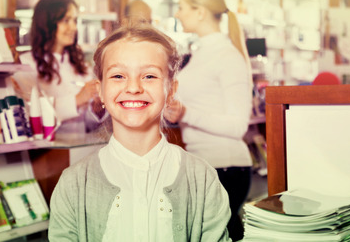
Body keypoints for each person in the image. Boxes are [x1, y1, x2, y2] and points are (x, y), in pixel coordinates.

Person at [48, 24, 232, 241]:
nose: (133, 87)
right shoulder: (74, 184)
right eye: (118, 76)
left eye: (149, 76)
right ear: (100, 90)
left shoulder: (202, 178)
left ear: (170, 90)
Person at [164, 0, 253, 241]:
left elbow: (238, 125)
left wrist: (186, 114)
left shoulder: (228, 56)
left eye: (181, 7)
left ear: (200, 11)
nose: (177, 13)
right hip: (207, 165)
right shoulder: (201, 52)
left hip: (227, 167)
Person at [13, 0, 109, 163]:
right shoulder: (26, 64)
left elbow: (88, 124)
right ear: (47, 24)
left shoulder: (81, 66)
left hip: (83, 151)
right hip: (47, 157)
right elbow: (32, 117)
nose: (73, 27)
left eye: (74, 20)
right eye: (66, 20)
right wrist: (78, 99)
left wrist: (97, 108)